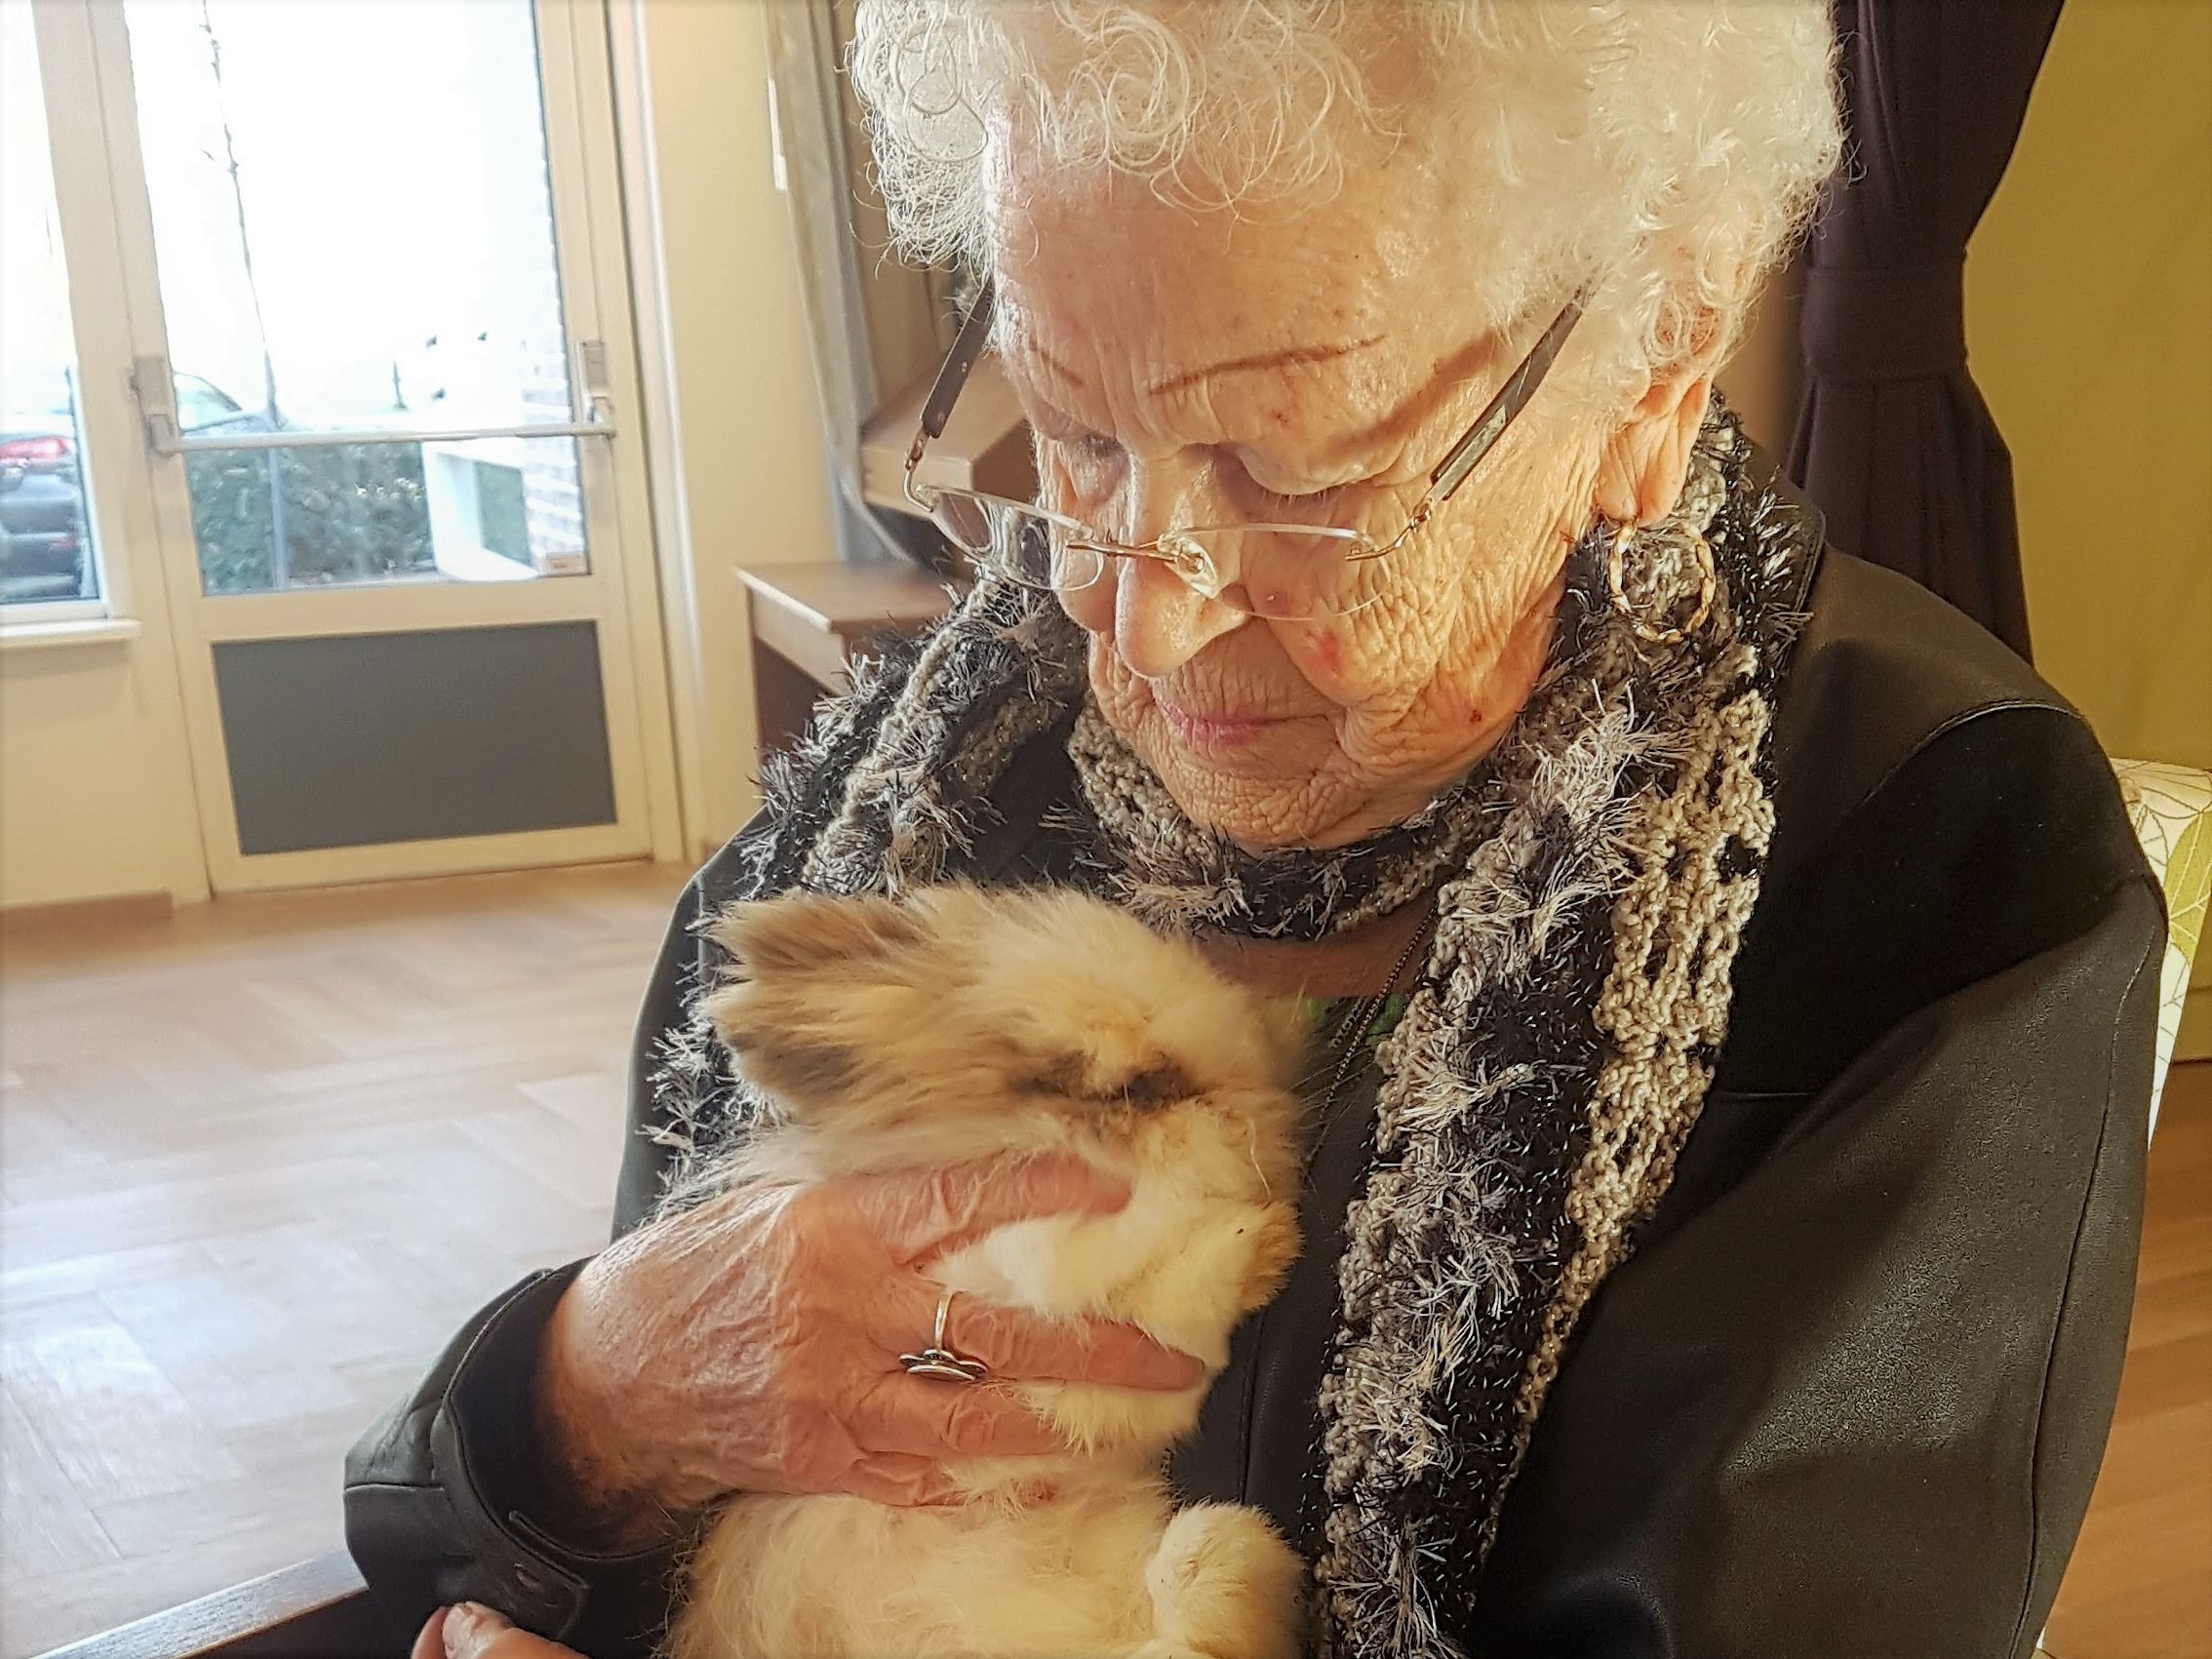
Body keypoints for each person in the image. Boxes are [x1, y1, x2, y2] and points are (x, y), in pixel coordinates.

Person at [346, 5, 2163, 1656]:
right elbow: (489, 1531)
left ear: (1659, 361)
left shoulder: (1932, 875)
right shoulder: (908, 800)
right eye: (1069, 433)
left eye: (1300, 481)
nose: (1142, 611)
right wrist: (594, 1387)